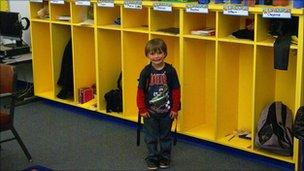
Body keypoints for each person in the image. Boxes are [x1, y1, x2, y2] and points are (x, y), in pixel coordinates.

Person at [137, 38, 181, 170]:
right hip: (149, 112)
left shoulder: (170, 71)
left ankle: (164, 157)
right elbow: (140, 92)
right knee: (150, 137)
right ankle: (152, 157)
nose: (156, 56)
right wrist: (142, 109)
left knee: (165, 136)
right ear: (147, 55)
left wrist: (175, 108)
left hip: (167, 112)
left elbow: (176, 90)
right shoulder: (145, 72)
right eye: (152, 53)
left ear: (165, 54)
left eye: (159, 53)